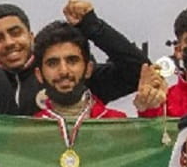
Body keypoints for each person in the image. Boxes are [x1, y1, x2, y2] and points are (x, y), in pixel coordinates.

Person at [0, 0, 149, 113]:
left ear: (31, 36)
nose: (9, 42)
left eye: (15, 33)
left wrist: (92, 26)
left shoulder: (67, 75)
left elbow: (139, 71)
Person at [31, 23, 127, 156]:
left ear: (88, 69)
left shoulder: (117, 124)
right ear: (39, 75)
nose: (63, 71)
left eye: (72, 61)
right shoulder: (29, 132)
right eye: (53, 63)